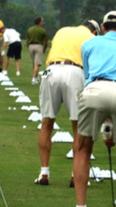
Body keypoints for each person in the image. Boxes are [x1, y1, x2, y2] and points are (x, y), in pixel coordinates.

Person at [73, 11, 116, 207]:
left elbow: (88, 74)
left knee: (83, 149)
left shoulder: (89, 43)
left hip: (94, 90)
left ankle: (80, 205)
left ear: (102, 27)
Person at [34, 20, 100, 187]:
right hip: (75, 72)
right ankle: (75, 176)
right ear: (94, 31)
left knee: (46, 123)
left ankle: (44, 173)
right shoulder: (91, 38)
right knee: (78, 126)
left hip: (51, 71)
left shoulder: (62, 29)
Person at [26, 17, 49, 85]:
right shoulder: (42, 30)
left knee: (34, 63)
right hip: (39, 46)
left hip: (31, 46)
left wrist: (28, 46)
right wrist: (44, 48)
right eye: (42, 21)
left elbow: (27, 39)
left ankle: (36, 77)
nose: (43, 22)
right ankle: (34, 78)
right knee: (37, 64)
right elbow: (46, 42)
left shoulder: (30, 29)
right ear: (39, 22)